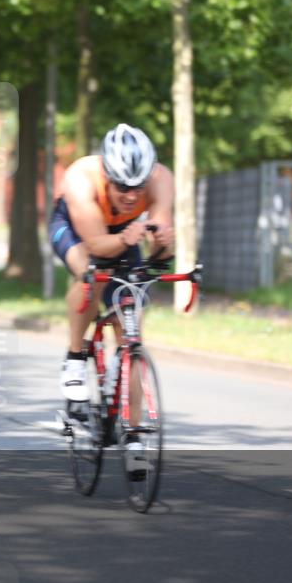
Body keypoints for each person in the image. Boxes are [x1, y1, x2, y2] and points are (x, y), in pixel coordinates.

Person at [49, 124, 174, 468]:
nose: (131, 195)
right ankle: (75, 358)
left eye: (138, 186)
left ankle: (133, 434)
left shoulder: (162, 179)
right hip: (77, 228)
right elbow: (99, 246)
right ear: (106, 173)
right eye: (121, 186)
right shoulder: (81, 179)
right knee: (92, 272)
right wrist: (126, 240)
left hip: (126, 233)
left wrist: (162, 242)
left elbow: (161, 249)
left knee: (129, 324)